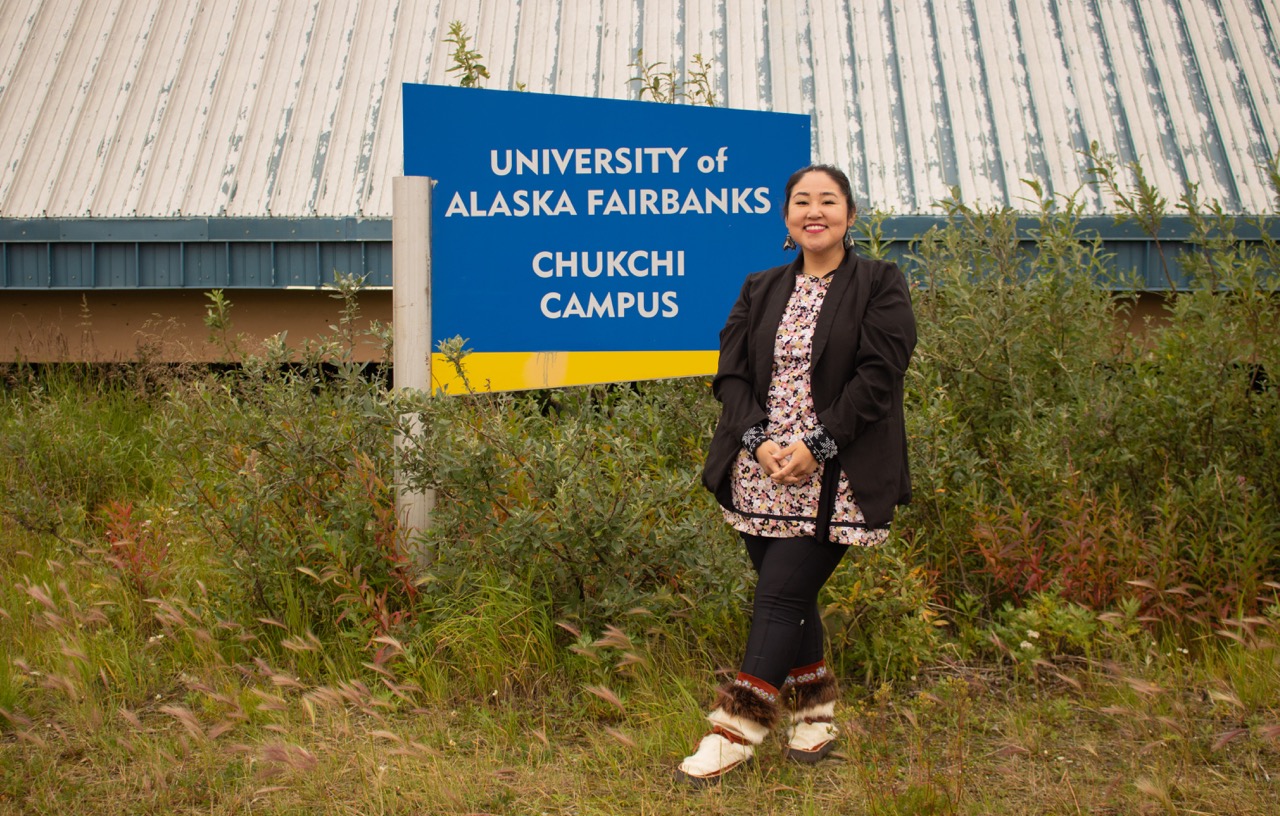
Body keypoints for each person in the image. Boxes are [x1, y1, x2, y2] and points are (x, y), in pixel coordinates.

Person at [675, 164, 917, 786]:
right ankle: (815, 715)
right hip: (759, 470)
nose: (815, 211)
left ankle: (735, 729)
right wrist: (756, 442)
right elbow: (730, 375)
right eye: (802, 202)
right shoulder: (760, 287)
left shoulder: (881, 284)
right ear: (787, 218)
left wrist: (818, 444)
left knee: (778, 594)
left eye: (828, 201)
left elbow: (879, 376)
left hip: (835, 473)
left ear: (850, 215)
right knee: (795, 598)